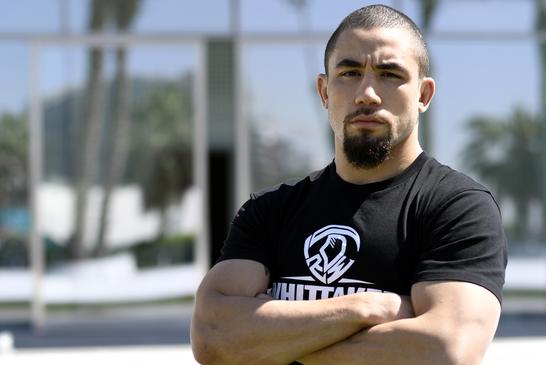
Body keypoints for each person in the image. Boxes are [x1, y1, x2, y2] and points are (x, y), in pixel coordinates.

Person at [191, 4, 506, 365]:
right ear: (324, 92)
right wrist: (370, 306)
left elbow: (446, 351)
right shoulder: (270, 212)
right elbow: (212, 336)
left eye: (390, 74)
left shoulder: (457, 208)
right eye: (350, 72)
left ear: (423, 96)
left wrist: (274, 336)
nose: (367, 94)